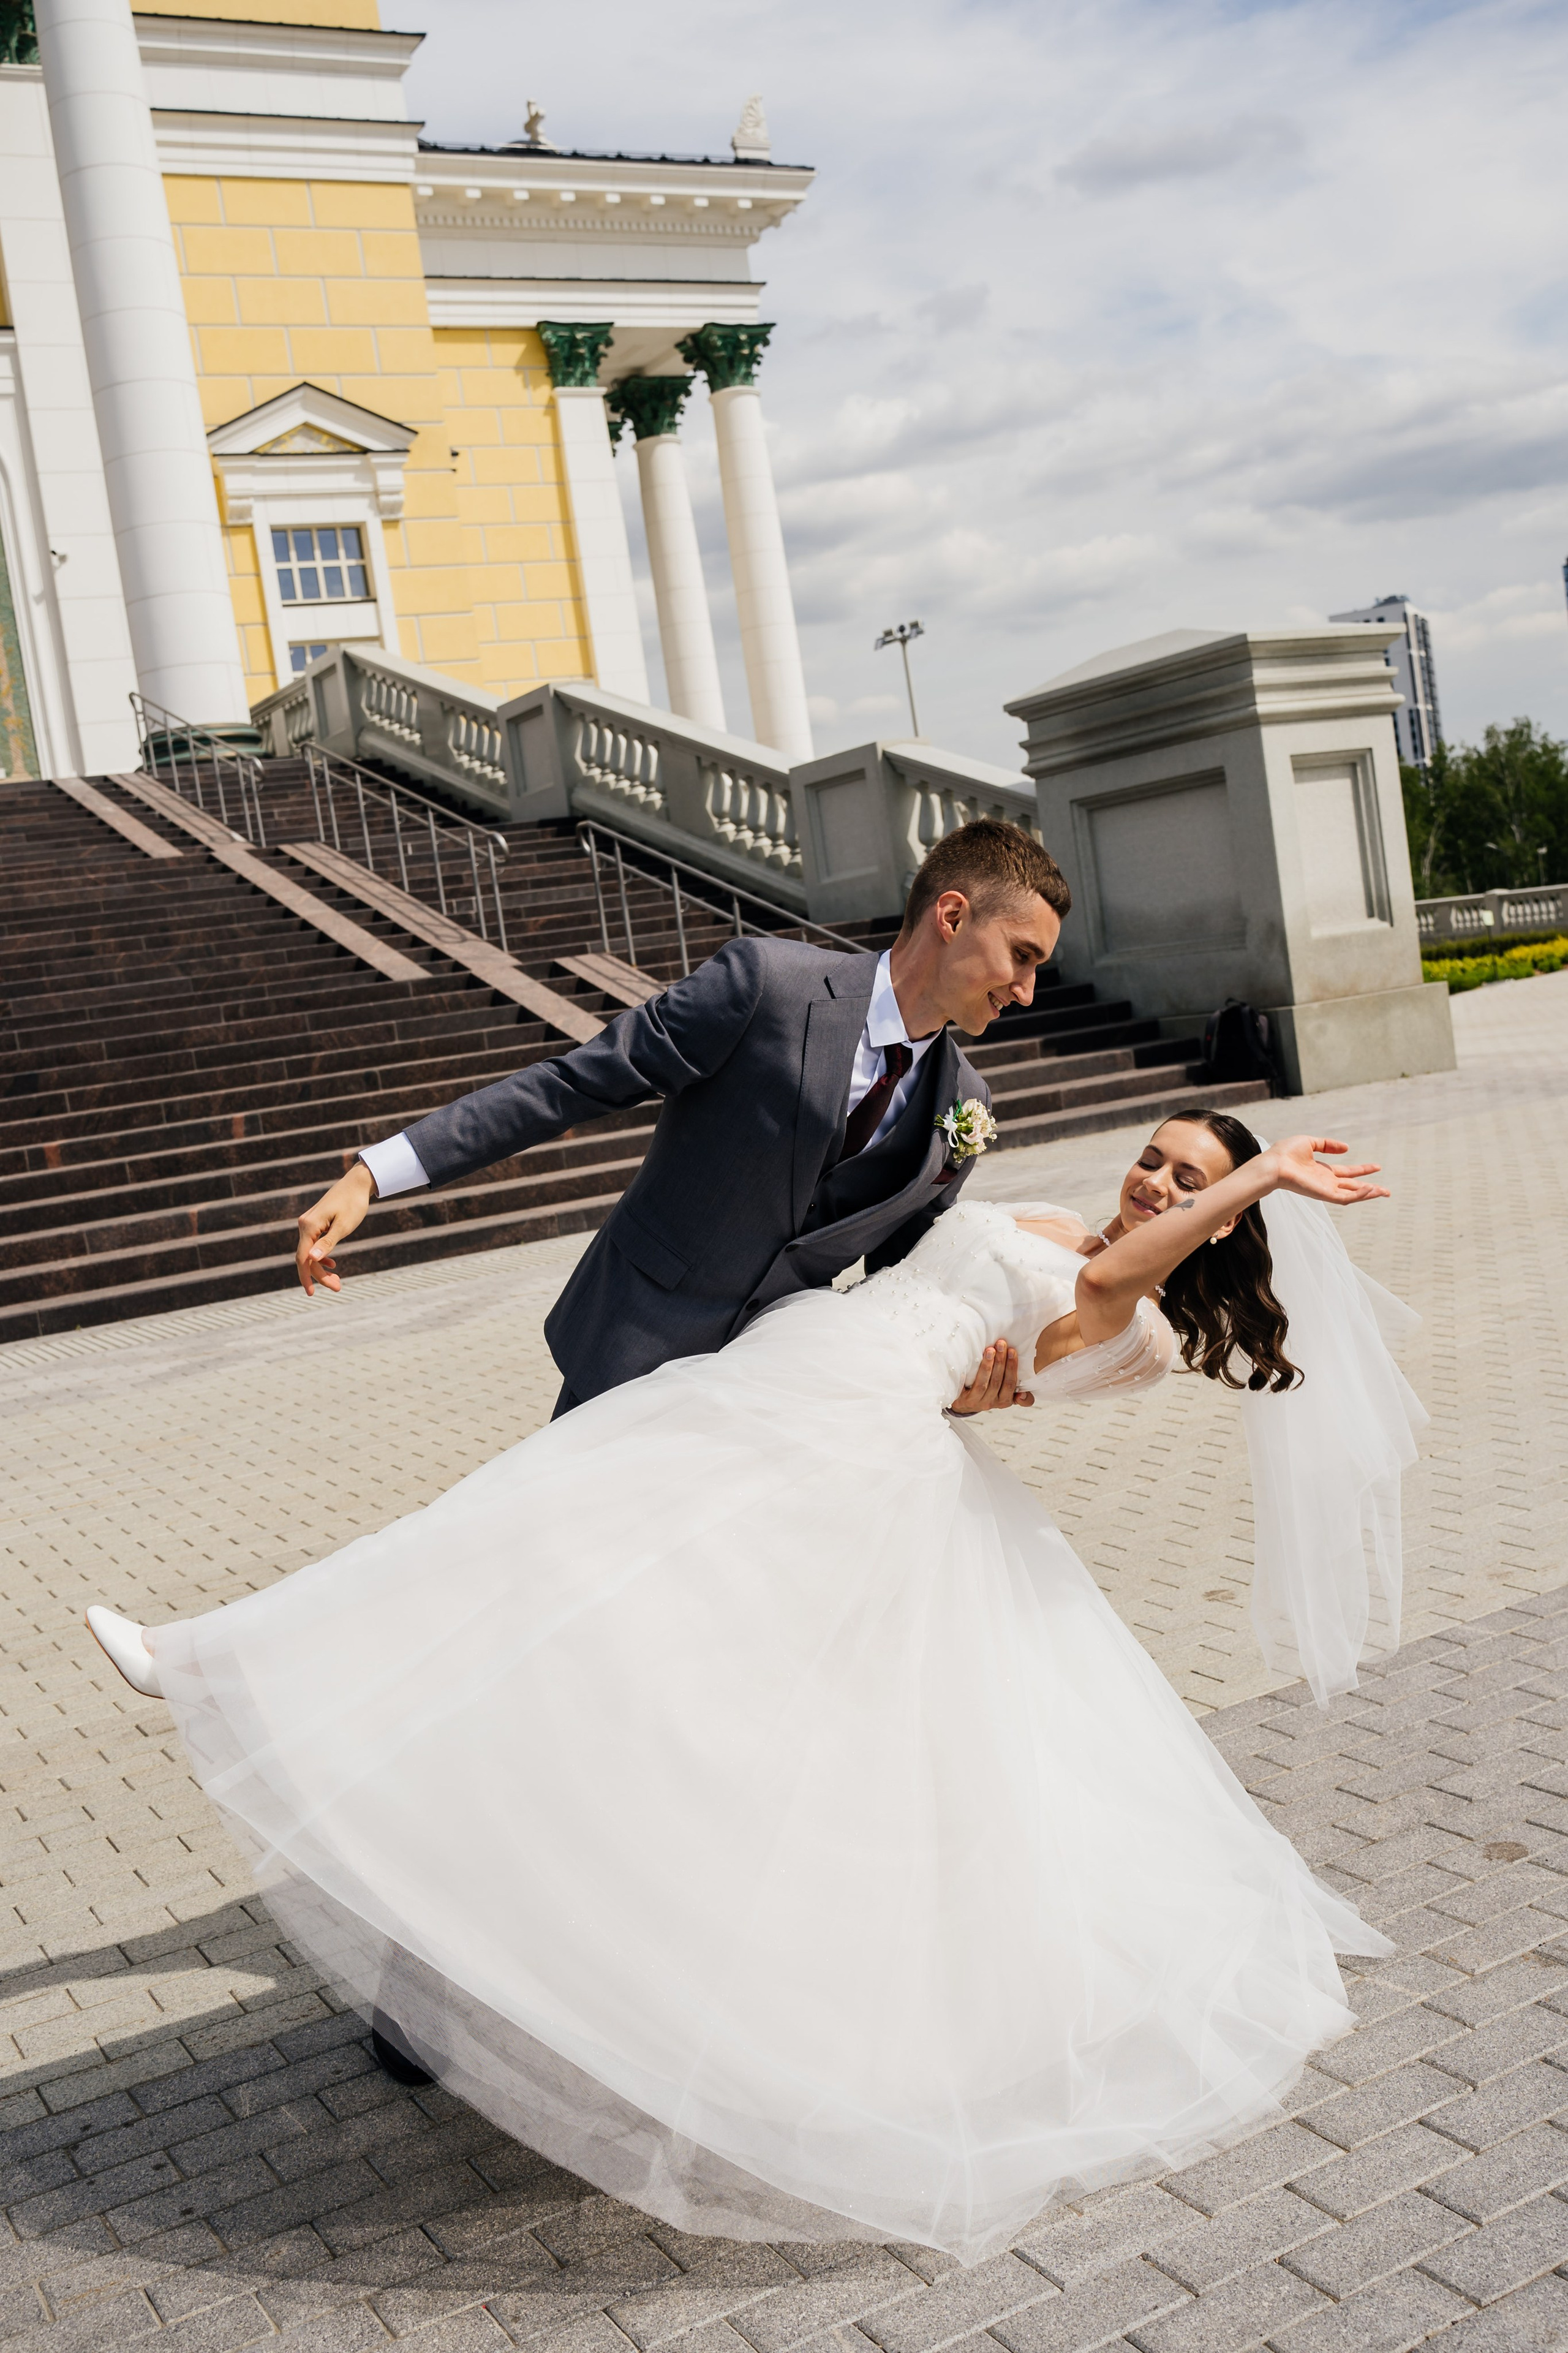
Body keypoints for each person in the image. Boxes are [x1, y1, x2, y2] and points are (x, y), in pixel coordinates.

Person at [85, 1109, 1425, 2264]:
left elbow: (1093, 1303)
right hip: (789, 1380)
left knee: (646, 1645)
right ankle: (269, 1691)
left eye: (1188, 1180)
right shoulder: (1060, 1222)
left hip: (846, 1455)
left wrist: (1257, 1180)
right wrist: (967, 1372)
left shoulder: (1140, 1320)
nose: (1153, 1182)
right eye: (1156, 1159)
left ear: (1219, 1220)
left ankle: (227, 1667)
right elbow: (957, 1315)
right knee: (547, 1546)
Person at [293, 818, 1069, 1416]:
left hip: (774, 1380)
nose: (1027, 991)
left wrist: (953, 1381)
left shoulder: (964, 1105)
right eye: (1022, 955)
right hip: (636, 1340)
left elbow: (899, 1287)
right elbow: (574, 1083)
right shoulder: (767, 986)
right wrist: (372, 1175)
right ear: (952, 915)